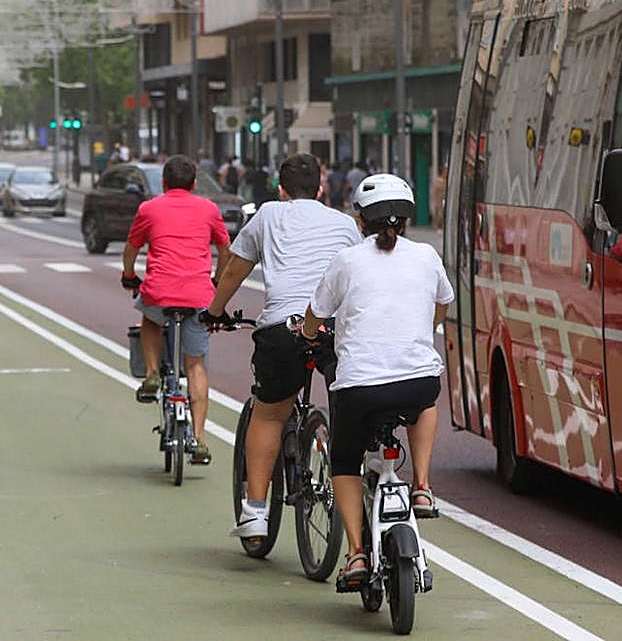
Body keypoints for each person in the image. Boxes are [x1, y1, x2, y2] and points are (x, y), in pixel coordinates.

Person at [301, 174, 453, 590]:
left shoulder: (347, 260)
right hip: (417, 382)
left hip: (359, 387)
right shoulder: (426, 256)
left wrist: (310, 334)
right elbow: (443, 304)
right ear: (405, 220)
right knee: (424, 404)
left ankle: (355, 555)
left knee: (345, 460)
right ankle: (421, 487)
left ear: (360, 220)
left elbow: (317, 314)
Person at [205, 153, 361, 539]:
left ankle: (255, 513)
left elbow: (235, 270)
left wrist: (214, 311)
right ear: (322, 189)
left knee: (271, 414)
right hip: (334, 328)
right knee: (348, 402)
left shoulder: (268, 215)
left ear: (280, 188)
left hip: (283, 328)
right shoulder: (344, 223)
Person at [121, 155, 231, 467]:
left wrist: (129, 274)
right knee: (196, 365)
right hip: (199, 294)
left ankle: (153, 373)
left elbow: (132, 248)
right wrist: (217, 281)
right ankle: (198, 438)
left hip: (160, 291)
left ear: (164, 183)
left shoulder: (149, 208)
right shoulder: (209, 209)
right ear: (194, 183)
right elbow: (225, 248)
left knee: (150, 317)